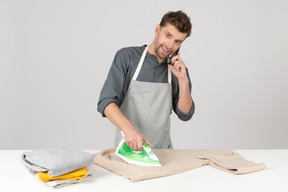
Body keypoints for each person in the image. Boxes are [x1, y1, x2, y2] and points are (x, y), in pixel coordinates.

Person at [97, 10, 195, 150]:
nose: (169, 45)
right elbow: (106, 101)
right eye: (168, 35)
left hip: (164, 153)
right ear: (157, 30)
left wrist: (183, 80)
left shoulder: (178, 71)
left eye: (177, 41)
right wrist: (129, 130)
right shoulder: (127, 57)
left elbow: (185, 114)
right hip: (128, 150)